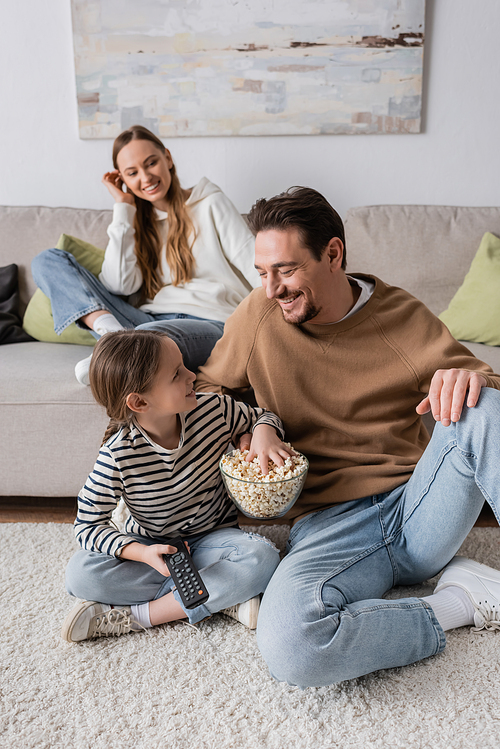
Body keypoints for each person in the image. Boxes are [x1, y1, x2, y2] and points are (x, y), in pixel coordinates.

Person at [195, 185, 500, 687]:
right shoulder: (258, 315)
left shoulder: (400, 317)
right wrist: (259, 423)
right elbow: (205, 391)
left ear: (333, 254)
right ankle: (457, 603)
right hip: (327, 527)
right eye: (263, 273)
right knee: (292, 647)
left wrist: (471, 379)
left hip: (418, 508)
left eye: (287, 270)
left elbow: (488, 385)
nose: (272, 288)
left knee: (482, 407)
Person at [62, 328, 292, 642]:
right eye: (176, 374)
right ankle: (220, 598)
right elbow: (88, 525)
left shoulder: (215, 410)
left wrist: (263, 430)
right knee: (80, 574)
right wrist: (140, 553)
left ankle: (141, 616)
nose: (192, 376)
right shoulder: (116, 455)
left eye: (184, 366)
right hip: (153, 549)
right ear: (140, 402)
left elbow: (263, 417)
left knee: (262, 558)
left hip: (214, 541)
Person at [31, 125, 259, 385]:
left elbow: (251, 260)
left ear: (168, 159)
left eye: (151, 163)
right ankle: (115, 339)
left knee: (148, 335)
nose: (146, 177)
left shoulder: (209, 202)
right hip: (145, 319)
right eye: (132, 173)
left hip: (210, 323)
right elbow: (120, 285)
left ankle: (117, 354)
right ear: (123, 180)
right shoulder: (132, 222)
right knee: (47, 260)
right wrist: (123, 208)